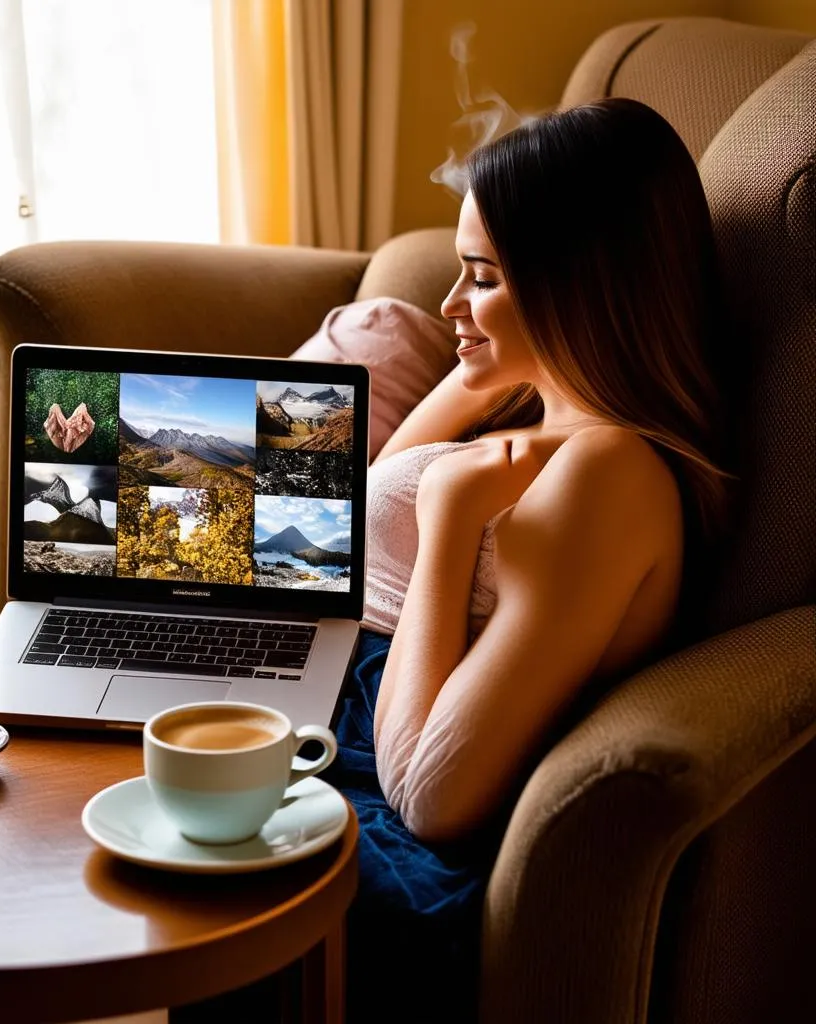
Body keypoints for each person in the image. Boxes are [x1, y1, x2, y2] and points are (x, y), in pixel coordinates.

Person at [323, 97, 731, 1020]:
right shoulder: (536, 410)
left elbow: (430, 795)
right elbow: (373, 499)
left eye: (482, 278)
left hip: (385, 769)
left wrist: (452, 518)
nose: (447, 305)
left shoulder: (610, 472)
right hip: (337, 690)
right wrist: (480, 366)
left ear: (578, 287)